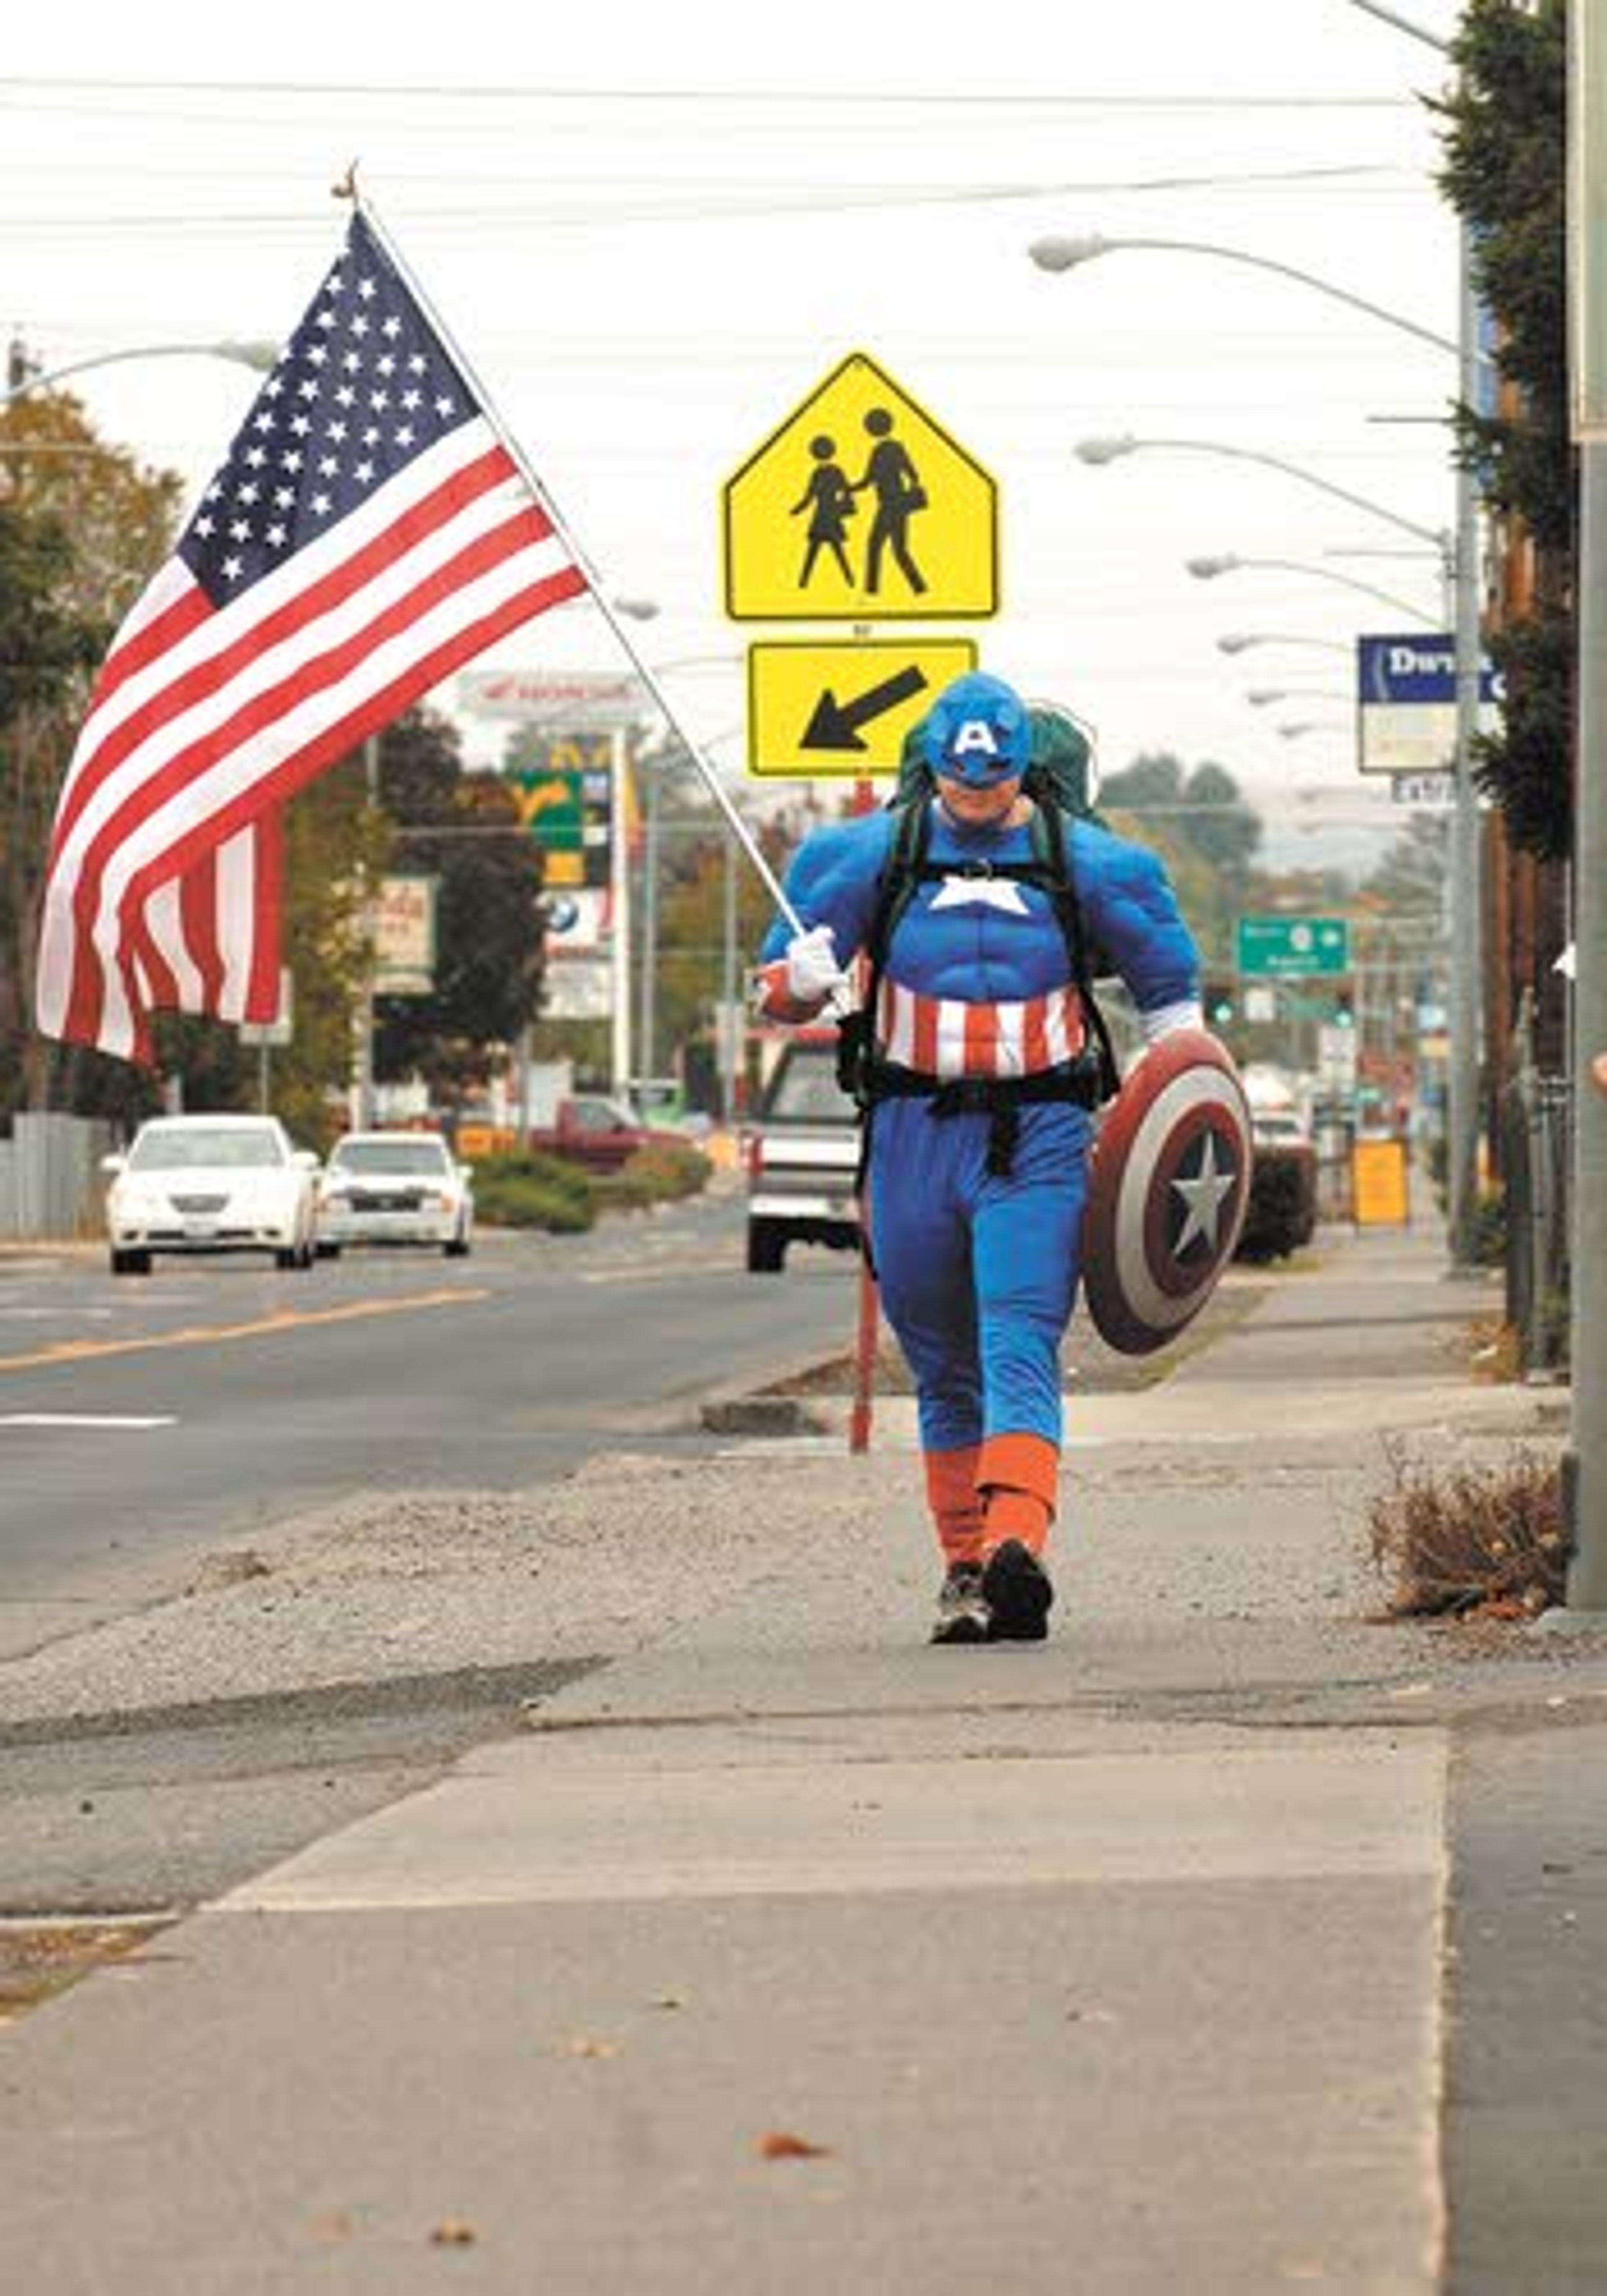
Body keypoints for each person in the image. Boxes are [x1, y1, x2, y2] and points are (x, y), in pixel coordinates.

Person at [752, 670, 1202, 1646]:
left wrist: (1182, 1131)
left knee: (1019, 1336)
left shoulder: (1097, 866)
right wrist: (797, 981)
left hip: (1038, 1131)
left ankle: (1016, 1545)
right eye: (963, 786)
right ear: (932, 770)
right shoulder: (860, 856)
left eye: (997, 784)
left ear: (1023, 771)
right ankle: (964, 1565)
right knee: (943, 1360)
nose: (980, 802)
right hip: (911, 1129)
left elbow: (1175, 1007)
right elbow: (773, 994)